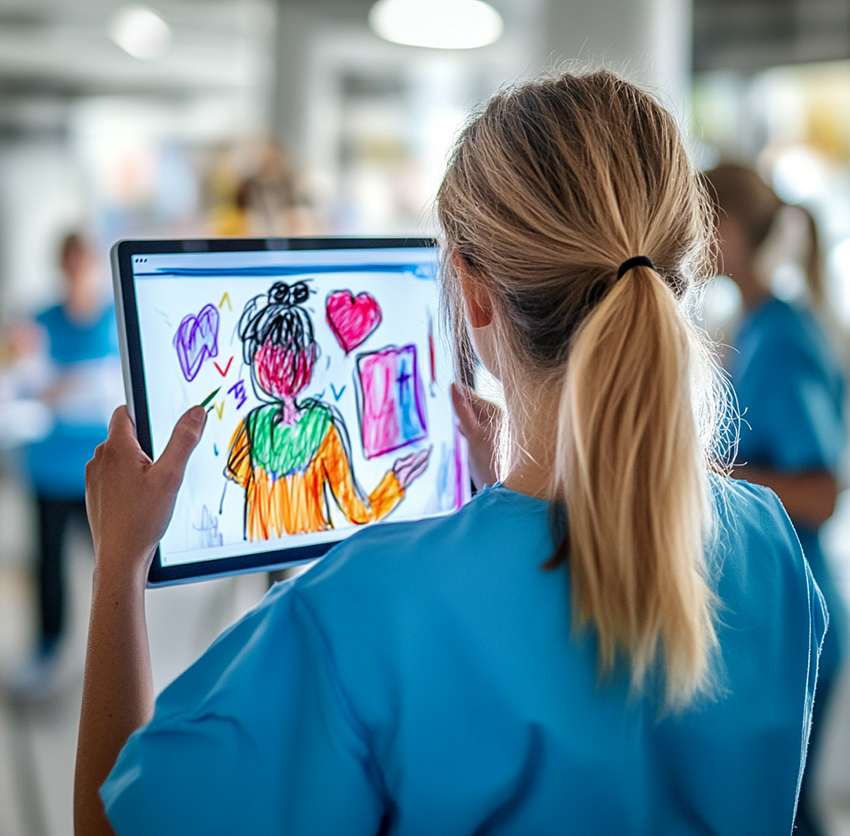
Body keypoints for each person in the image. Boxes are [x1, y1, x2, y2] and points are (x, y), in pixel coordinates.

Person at [77, 71, 826, 835]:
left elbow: (109, 825)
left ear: (471, 290)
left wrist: (120, 566)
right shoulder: (765, 544)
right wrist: (500, 502)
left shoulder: (362, 605)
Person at [704, 163, 847, 836]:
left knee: (788, 815)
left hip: (801, 603)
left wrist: (708, 475)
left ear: (726, 232)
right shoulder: (754, 326)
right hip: (775, 599)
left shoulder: (783, 338)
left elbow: (820, 493)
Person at [7, 231, 120, 701]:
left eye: (83, 261)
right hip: (50, 467)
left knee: (112, 569)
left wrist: (63, 382)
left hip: (99, 467)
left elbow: (116, 387)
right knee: (49, 567)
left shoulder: (114, 320)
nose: (77, 271)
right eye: (69, 262)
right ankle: (49, 649)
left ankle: (116, 657)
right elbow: (24, 381)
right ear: (62, 266)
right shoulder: (38, 321)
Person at [226, 279, 430, 539]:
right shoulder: (254, 426)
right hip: (271, 558)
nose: (279, 361)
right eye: (271, 350)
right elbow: (358, 512)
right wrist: (396, 482)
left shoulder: (315, 426)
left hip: (312, 560)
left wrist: (395, 481)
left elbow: (357, 512)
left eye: (287, 349)